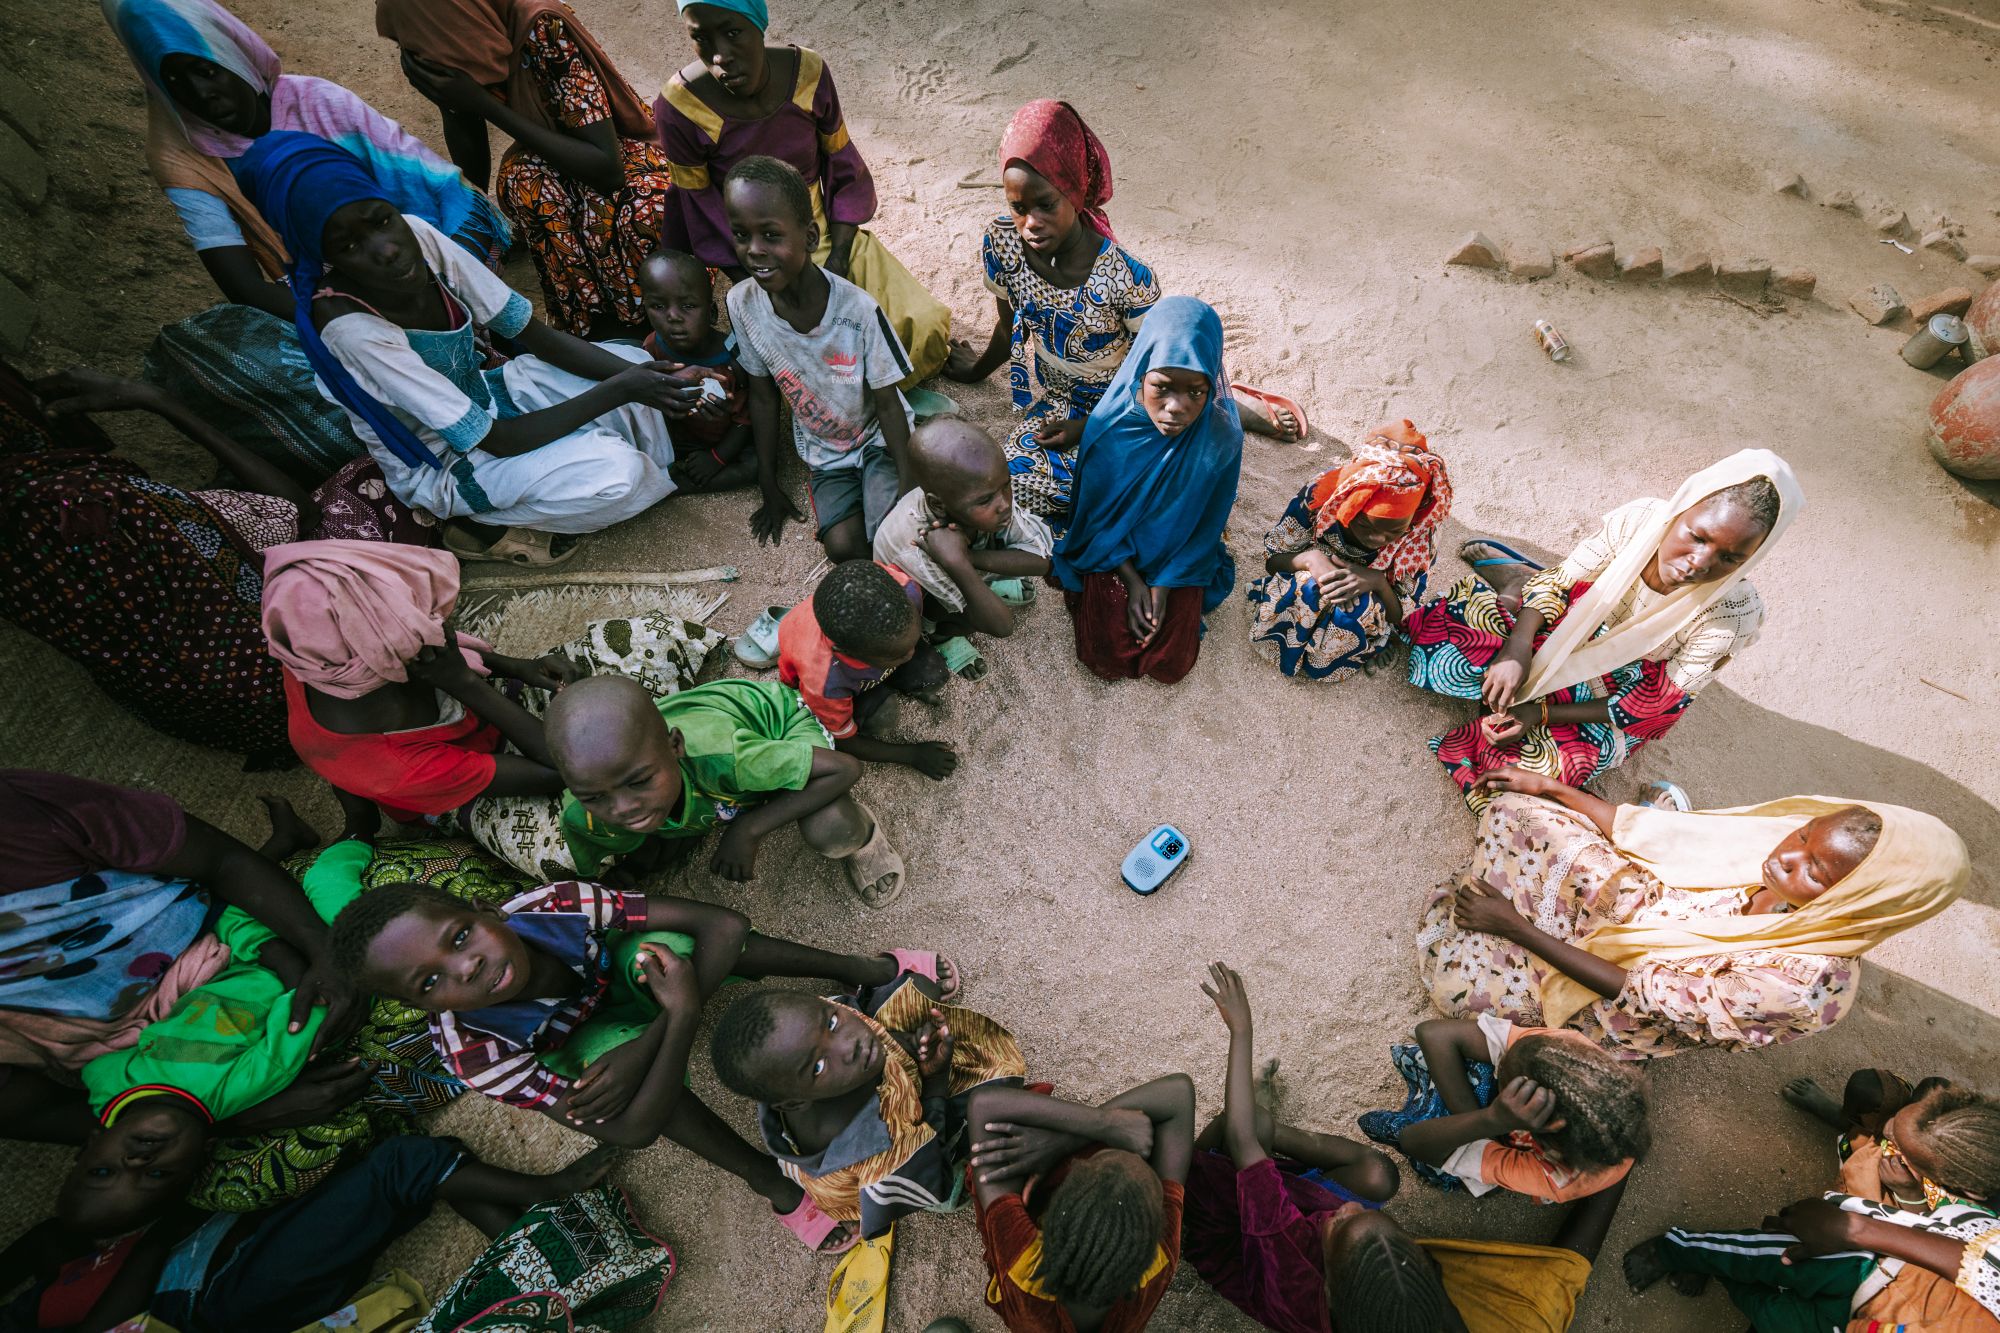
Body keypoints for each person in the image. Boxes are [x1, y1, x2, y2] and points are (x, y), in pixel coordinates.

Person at [330, 868, 954, 1256]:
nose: (463, 966)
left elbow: (723, 928)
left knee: (667, 949)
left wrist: (651, 1035)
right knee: (609, 1080)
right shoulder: (475, 1053)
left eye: (461, 937)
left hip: (631, 989)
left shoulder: (555, 907)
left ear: (489, 914)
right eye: (431, 982)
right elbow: (630, 1130)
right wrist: (678, 1019)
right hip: (590, 1040)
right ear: (421, 1007)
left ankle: (871, 970)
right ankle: (769, 1182)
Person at [236, 131, 697, 565]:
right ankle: (480, 521)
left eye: (381, 220)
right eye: (351, 244)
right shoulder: (351, 328)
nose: (387, 249)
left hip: (489, 394)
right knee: (617, 474)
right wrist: (623, 390)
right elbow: (496, 441)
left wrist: (657, 380)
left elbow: (535, 337)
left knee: (634, 361)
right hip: (446, 460)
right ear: (323, 255)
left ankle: (635, 459)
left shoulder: (419, 235)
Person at [103, 0, 510, 485]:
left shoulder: (316, 101)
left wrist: (414, 284)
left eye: (205, 69)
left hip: (417, 242)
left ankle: (461, 351)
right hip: (322, 290)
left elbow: (433, 186)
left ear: (231, 51)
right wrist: (351, 310)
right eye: (175, 82)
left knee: (440, 290)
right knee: (301, 366)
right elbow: (244, 287)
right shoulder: (183, 157)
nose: (201, 94)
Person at [1418, 769, 1969, 1059]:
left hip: (1616, 998)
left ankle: (1507, 929)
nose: (1785, 857)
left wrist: (1514, 927)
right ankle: (1516, 912)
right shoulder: (1782, 858)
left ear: (1863, 902)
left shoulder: (1799, 987)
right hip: (1645, 913)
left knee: (1458, 987)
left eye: (1815, 873)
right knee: (1520, 810)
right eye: (1802, 834)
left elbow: (1632, 991)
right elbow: (1664, 838)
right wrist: (1553, 788)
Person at [262, 540, 718, 881]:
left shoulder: (318, 654)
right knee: (561, 851)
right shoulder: (393, 764)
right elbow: (567, 773)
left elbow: (443, 647)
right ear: (387, 653)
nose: (440, 623)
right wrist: (466, 684)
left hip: (492, 713)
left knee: (649, 636)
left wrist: (512, 667)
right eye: (425, 623)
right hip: (483, 785)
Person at [1404, 449, 1802, 810]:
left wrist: (1540, 713)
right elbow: (1559, 584)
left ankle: (1516, 587)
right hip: (1574, 622)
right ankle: (1518, 582)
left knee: (1531, 778)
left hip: (1620, 682)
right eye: (1696, 536)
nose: (1699, 563)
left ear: (1751, 560)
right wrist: (1517, 650)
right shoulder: (1639, 523)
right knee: (1440, 641)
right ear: (1681, 509)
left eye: (1731, 558)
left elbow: (1656, 705)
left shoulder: (1732, 613)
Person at [0, 1108, 619, 1333]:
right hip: (223, 1300)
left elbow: (50, 1236)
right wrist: (154, 1236)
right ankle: (552, 1193)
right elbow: (131, 1308)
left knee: (414, 1173)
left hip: (228, 1251)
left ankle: (546, 1259)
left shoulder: (35, 1287)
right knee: (400, 1166)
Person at [654, 0, 950, 384]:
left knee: (921, 329)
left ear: (758, 24)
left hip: (826, 233)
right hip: (761, 257)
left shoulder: (808, 73)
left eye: (732, 33)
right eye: (700, 37)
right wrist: (764, 285)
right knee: (824, 366)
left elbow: (842, 167)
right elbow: (700, 211)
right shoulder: (680, 106)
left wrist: (839, 260)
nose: (720, 55)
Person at [0, 770, 352, 1080]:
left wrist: (324, 951)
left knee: (351, 940)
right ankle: (284, 843)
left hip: (199, 919)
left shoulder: (19, 815)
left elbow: (222, 864)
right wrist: (200, 1114)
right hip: (113, 1039)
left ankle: (293, 844)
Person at [375, 0, 674, 338]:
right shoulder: (456, 39)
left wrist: (483, 104)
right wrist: (475, 222)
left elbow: (607, 169)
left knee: (642, 211)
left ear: (459, 29)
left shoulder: (543, 27)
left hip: (624, 153)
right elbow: (464, 125)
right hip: (559, 158)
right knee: (522, 181)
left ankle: (661, 322)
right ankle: (594, 329)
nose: (420, 58)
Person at [1626, 1080, 2000, 1331]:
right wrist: (1900, 1202)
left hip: (1849, 1319)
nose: (1890, 1147)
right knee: (1760, 1255)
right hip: (1865, 1266)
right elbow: (1962, 1252)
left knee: (1767, 1313)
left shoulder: (1964, 1201)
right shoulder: (1969, 1217)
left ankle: (1721, 1275)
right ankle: (1677, 1249)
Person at [942, 99, 1162, 523]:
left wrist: (1091, 428)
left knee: (1140, 498)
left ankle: (1232, 404)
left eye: (1046, 204)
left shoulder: (1126, 277)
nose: (1031, 223)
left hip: (1126, 411)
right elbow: (1009, 329)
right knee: (1010, 488)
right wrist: (975, 370)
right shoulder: (1002, 243)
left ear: (1076, 191)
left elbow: (1154, 375)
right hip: (1061, 402)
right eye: (1018, 208)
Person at [711, 972, 1026, 1245]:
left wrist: (904, 1044)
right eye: (818, 1066)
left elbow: (854, 1022)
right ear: (793, 1102)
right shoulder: (871, 1145)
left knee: (916, 986)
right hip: (913, 1158)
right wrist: (935, 1082)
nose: (849, 1045)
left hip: (893, 1091)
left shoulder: (807, 1045)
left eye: (832, 1021)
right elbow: (933, 1175)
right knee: (994, 1110)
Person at [545, 672, 908, 907]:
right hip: (711, 762)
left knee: (830, 826)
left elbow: (845, 769)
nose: (622, 808)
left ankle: (865, 839)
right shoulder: (583, 815)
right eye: (594, 797)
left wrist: (747, 829)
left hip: (775, 726)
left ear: (675, 746)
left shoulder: (724, 756)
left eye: (639, 782)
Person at [1181, 963, 1400, 1333]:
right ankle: (1262, 1121)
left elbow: (1243, 1140)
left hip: (1229, 1231)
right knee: (1382, 1176)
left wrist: (1241, 1029)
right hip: (1291, 1222)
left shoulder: (1286, 1255)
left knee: (1254, 1125)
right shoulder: (1373, 1310)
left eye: (1344, 1221)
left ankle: (1254, 1114)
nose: (1347, 1208)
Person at [721, 155, 916, 558]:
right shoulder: (742, 304)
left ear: (810, 237)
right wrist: (768, 484)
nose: (754, 250)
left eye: (771, 235)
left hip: (879, 438)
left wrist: (912, 484)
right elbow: (762, 395)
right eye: (741, 234)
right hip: (826, 452)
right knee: (843, 549)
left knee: (892, 534)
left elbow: (889, 406)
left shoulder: (858, 311)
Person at [1051, 296, 1242, 685]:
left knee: (1173, 660)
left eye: (1196, 392)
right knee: (1110, 651)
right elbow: (1094, 520)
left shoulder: (1220, 437)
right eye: (1163, 387)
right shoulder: (1112, 429)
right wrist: (1134, 580)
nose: (1175, 407)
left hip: (1179, 554)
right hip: (1114, 549)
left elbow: (1208, 523)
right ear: (1142, 374)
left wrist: (1165, 585)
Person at [963, 1072, 1194, 1331]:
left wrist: (1097, 1127)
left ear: (1052, 1215)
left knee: (1005, 1151)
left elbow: (983, 1105)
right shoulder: (1158, 1260)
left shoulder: (1024, 1271)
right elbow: (1180, 1093)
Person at [1359, 1015, 1649, 1203]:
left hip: (1504, 1146)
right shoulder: (1567, 1055)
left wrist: (1491, 1120)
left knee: (1405, 1134)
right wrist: (1487, 1121)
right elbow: (1431, 1032)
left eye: (1504, 1079)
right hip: (1502, 1135)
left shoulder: (1554, 1178)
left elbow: (1413, 1142)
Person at [1247, 420, 1452, 682]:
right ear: (1346, 506)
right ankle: (1286, 644)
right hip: (1306, 581)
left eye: (1394, 530)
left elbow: (1402, 614)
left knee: (1356, 609)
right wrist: (1311, 559)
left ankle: (1339, 657)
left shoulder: (1420, 534)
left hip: (1369, 599)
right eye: (1365, 524)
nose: (1378, 538)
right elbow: (1273, 558)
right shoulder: (1322, 495)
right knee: (1309, 587)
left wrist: (1376, 581)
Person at [871, 417, 1054, 644]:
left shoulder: (984, 489)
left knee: (1000, 560)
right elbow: (1001, 625)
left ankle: (980, 578)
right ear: (938, 505)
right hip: (920, 591)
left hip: (959, 556)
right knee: (967, 616)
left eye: (1006, 485)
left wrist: (966, 557)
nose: (1005, 504)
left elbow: (1043, 562)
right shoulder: (914, 546)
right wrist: (957, 564)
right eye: (986, 500)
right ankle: (938, 635)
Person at [778, 560, 958, 779]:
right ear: (847, 651)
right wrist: (911, 755)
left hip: (872, 648)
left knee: (932, 673)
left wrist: (901, 650)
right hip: (839, 678)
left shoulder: (904, 588)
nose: (910, 654)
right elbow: (845, 741)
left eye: (913, 640)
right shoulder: (825, 682)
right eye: (898, 654)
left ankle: (892, 662)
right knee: (882, 718)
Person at [638, 247, 757, 494]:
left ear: (712, 313)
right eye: (658, 306)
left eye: (688, 306)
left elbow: (745, 420)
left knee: (754, 466)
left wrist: (717, 458)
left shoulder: (733, 356)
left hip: (724, 438)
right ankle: (661, 479)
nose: (673, 317)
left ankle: (675, 487)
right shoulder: (652, 347)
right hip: (677, 436)